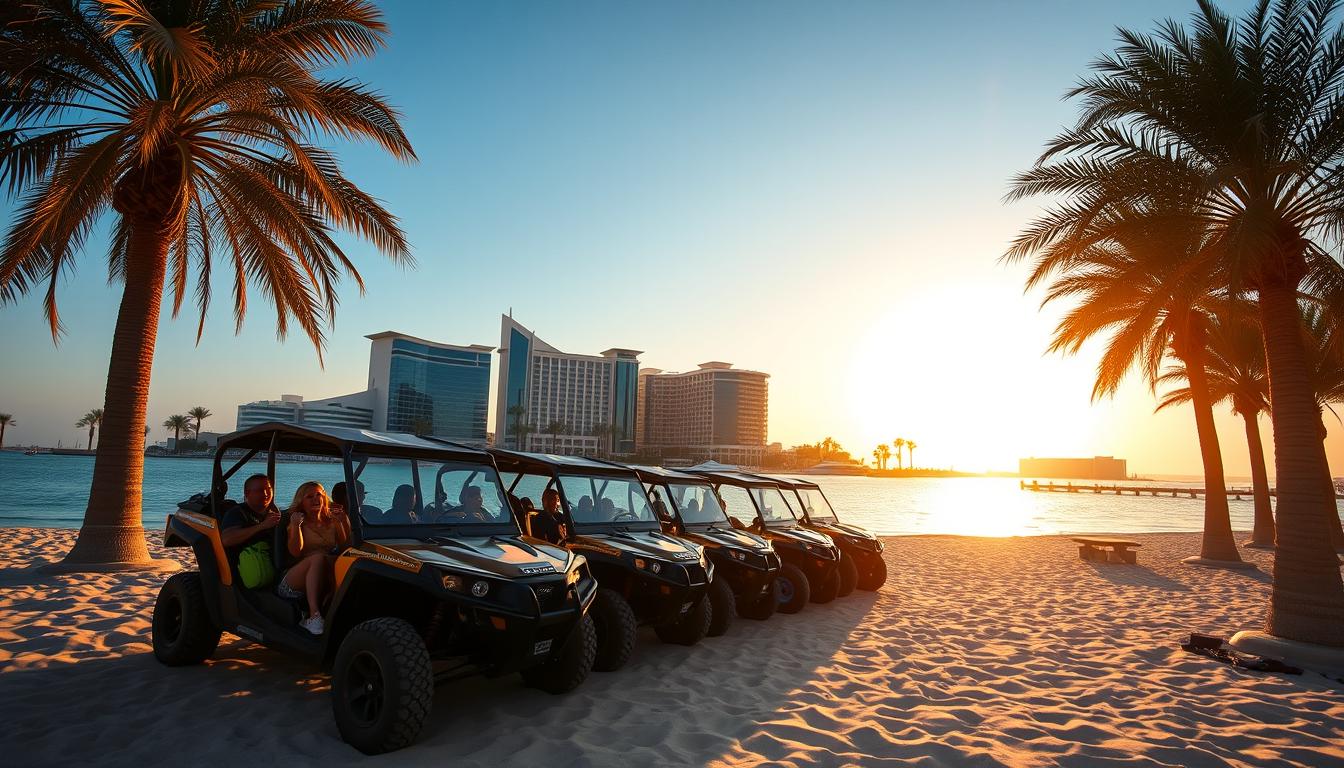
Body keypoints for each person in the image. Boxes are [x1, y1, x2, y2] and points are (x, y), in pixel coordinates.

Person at [278, 481, 351, 635]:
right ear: (301, 502)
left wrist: (343, 521)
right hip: (293, 580)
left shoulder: (331, 520)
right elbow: (295, 552)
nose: (315, 499)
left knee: (336, 560)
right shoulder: (296, 522)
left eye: (319, 495)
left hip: (321, 575)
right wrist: (296, 526)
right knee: (319, 558)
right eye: (309, 497)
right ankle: (314, 616)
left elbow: (345, 550)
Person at [220, 474, 281, 556]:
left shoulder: (273, 512)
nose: (266, 494)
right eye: (260, 490)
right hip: (248, 562)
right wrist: (262, 526)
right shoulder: (237, 513)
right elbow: (226, 539)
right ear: (247, 493)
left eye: (269, 489)